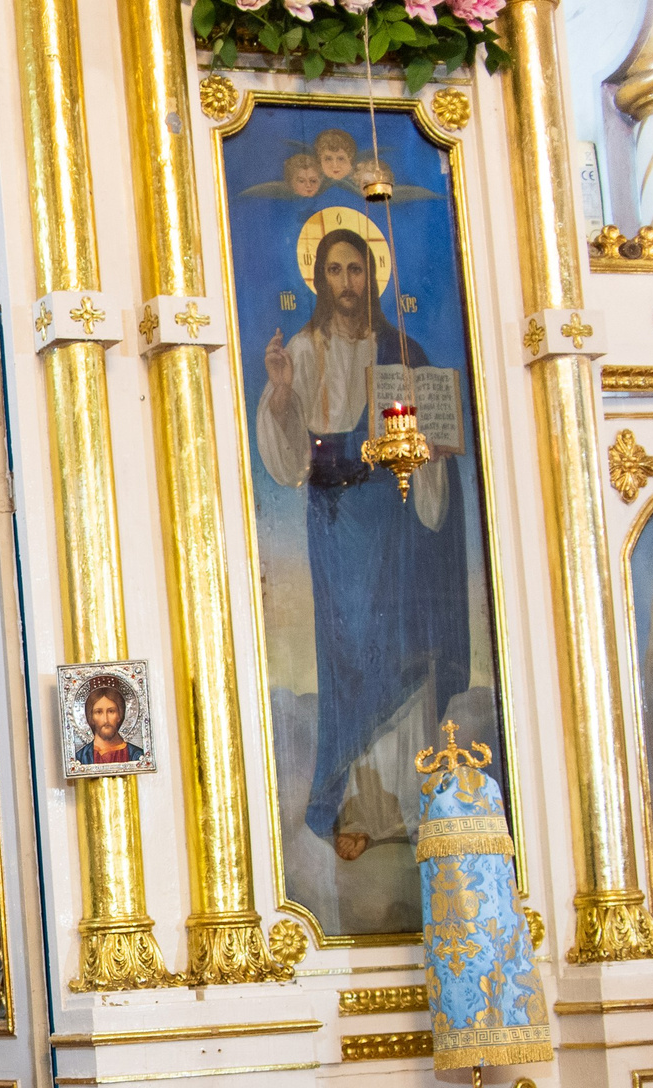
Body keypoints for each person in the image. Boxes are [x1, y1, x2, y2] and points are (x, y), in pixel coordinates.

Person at [255, 225, 466, 862]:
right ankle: (345, 803)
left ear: (371, 278)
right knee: (349, 653)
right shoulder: (302, 348)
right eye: (337, 270)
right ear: (319, 279)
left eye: (358, 269)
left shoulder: (403, 350)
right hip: (339, 521)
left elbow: (434, 439)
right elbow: (290, 465)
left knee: (401, 644)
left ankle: (404, 799)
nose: (348, 283)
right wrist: (284, 393)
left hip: (395, 516)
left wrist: (429, 450)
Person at [73, 676, 145, 767]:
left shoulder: (137, 755)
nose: (105, 719)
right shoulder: (81, 758)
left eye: (111, 711)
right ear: (90, 717)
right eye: (98, 712)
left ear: (120, 715)